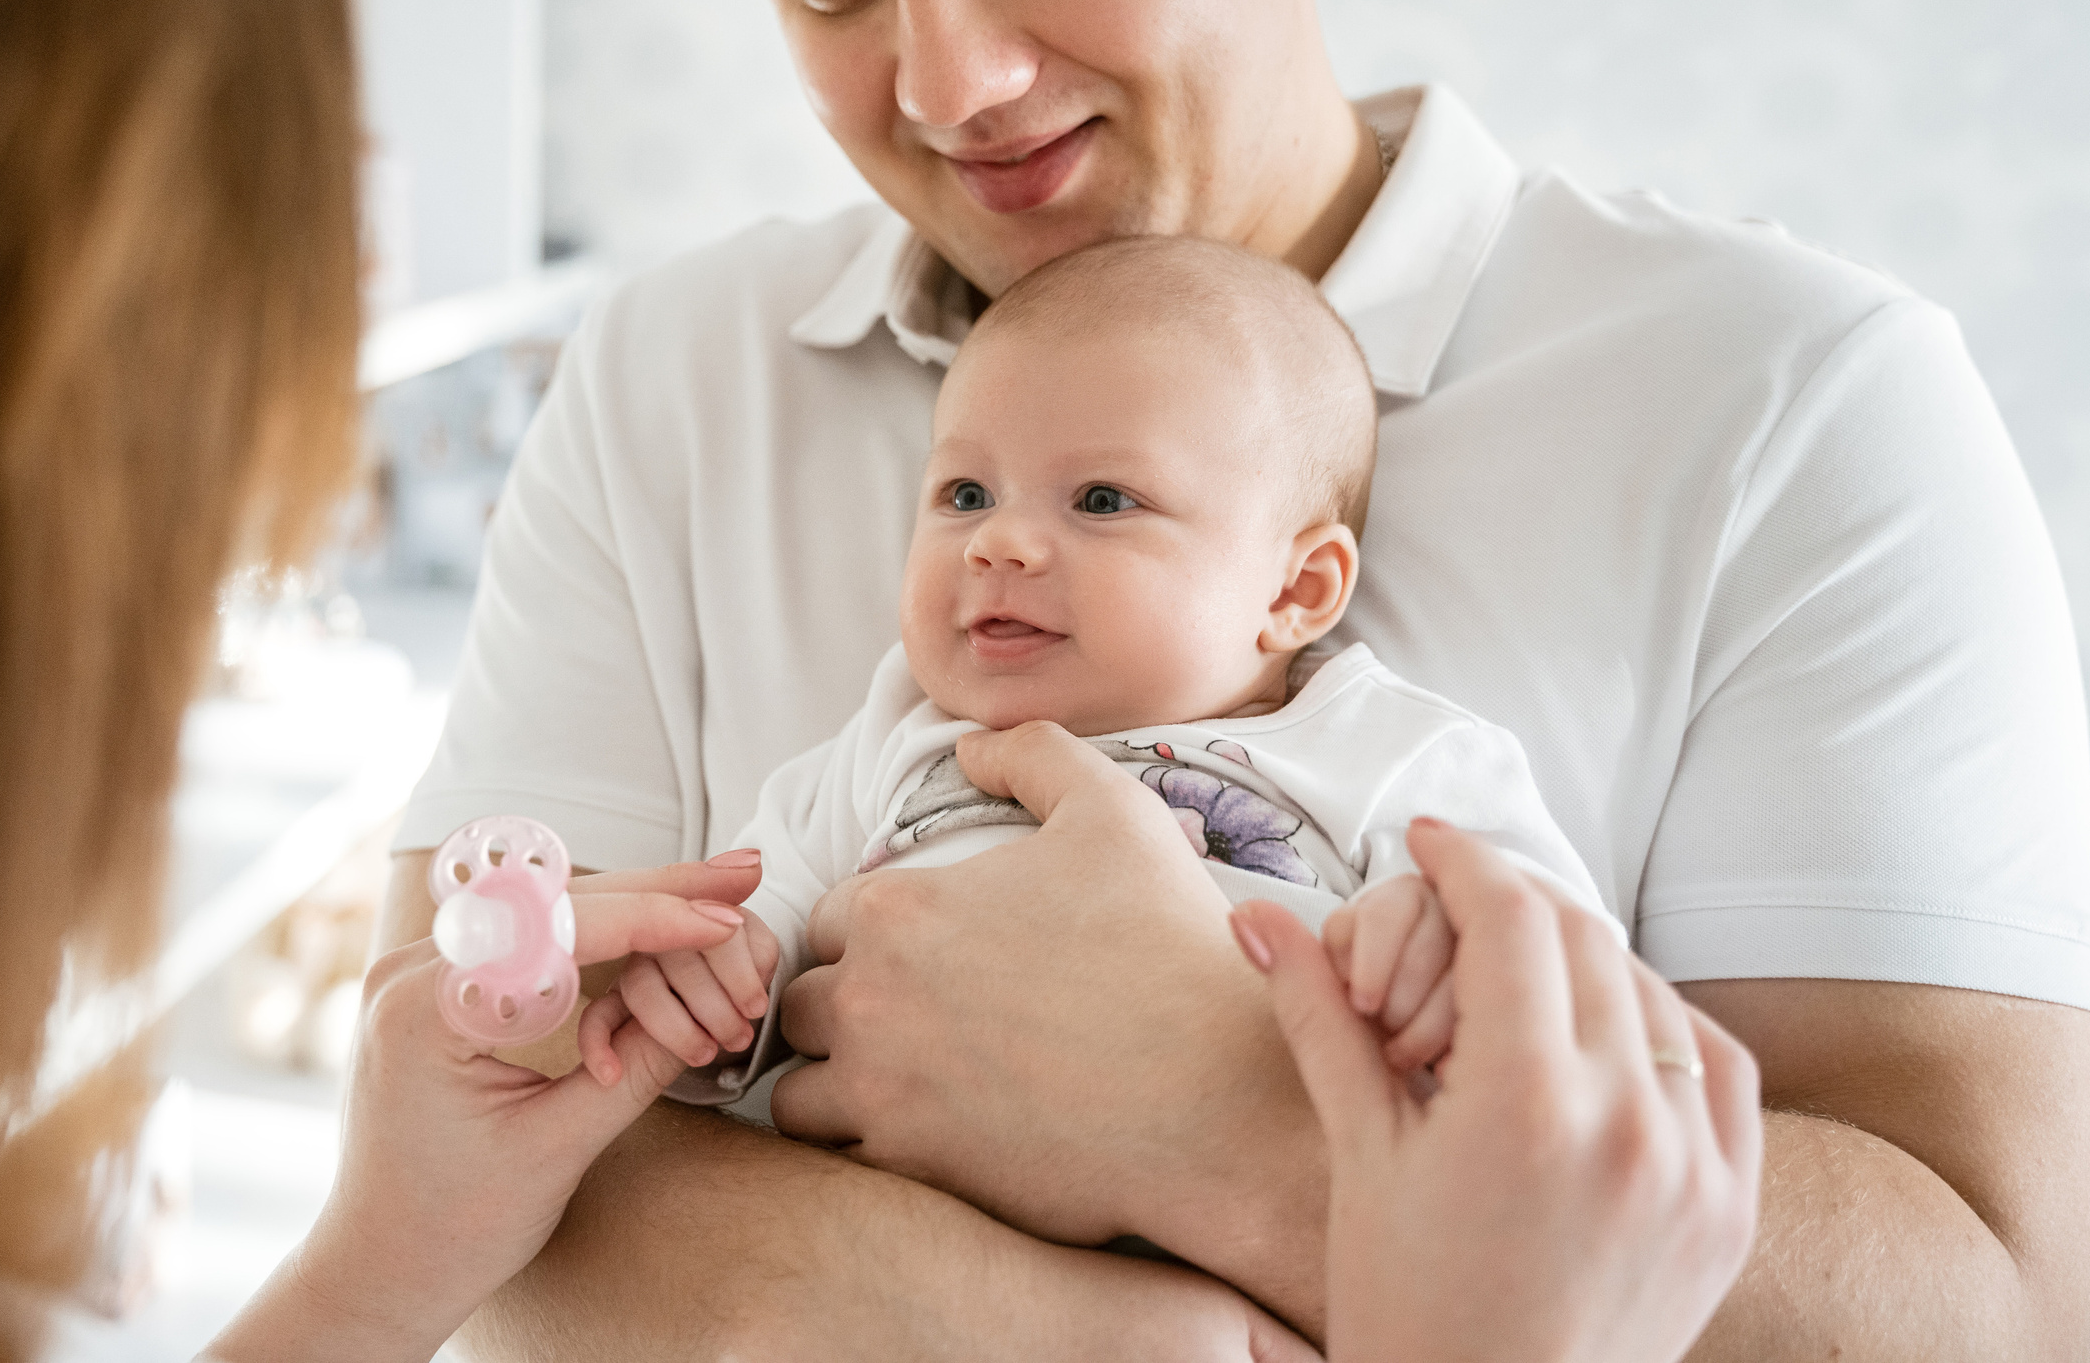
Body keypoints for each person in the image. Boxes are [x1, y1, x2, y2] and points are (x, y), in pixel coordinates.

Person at [0, 0, 1759, 1360]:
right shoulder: (697, 435)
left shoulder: (1717, 430)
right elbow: (655, 963)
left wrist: (368, 1256)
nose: (946, 82)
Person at [380, 0, 2090, 1355]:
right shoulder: (661, 375)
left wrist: (1214, 1110)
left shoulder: (1799, 402)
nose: (949, 82)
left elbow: (1991, 1304)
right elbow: (454, 1178)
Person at [607, 237, 1611, 1119]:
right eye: (964, 492)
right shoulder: (894, 732)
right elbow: (761, 910)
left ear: (1296, 587)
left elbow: (1585, 1006)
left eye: (1100, 499)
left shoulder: (1396, 759)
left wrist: (1442, 959)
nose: (997, 540)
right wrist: (715, 989)